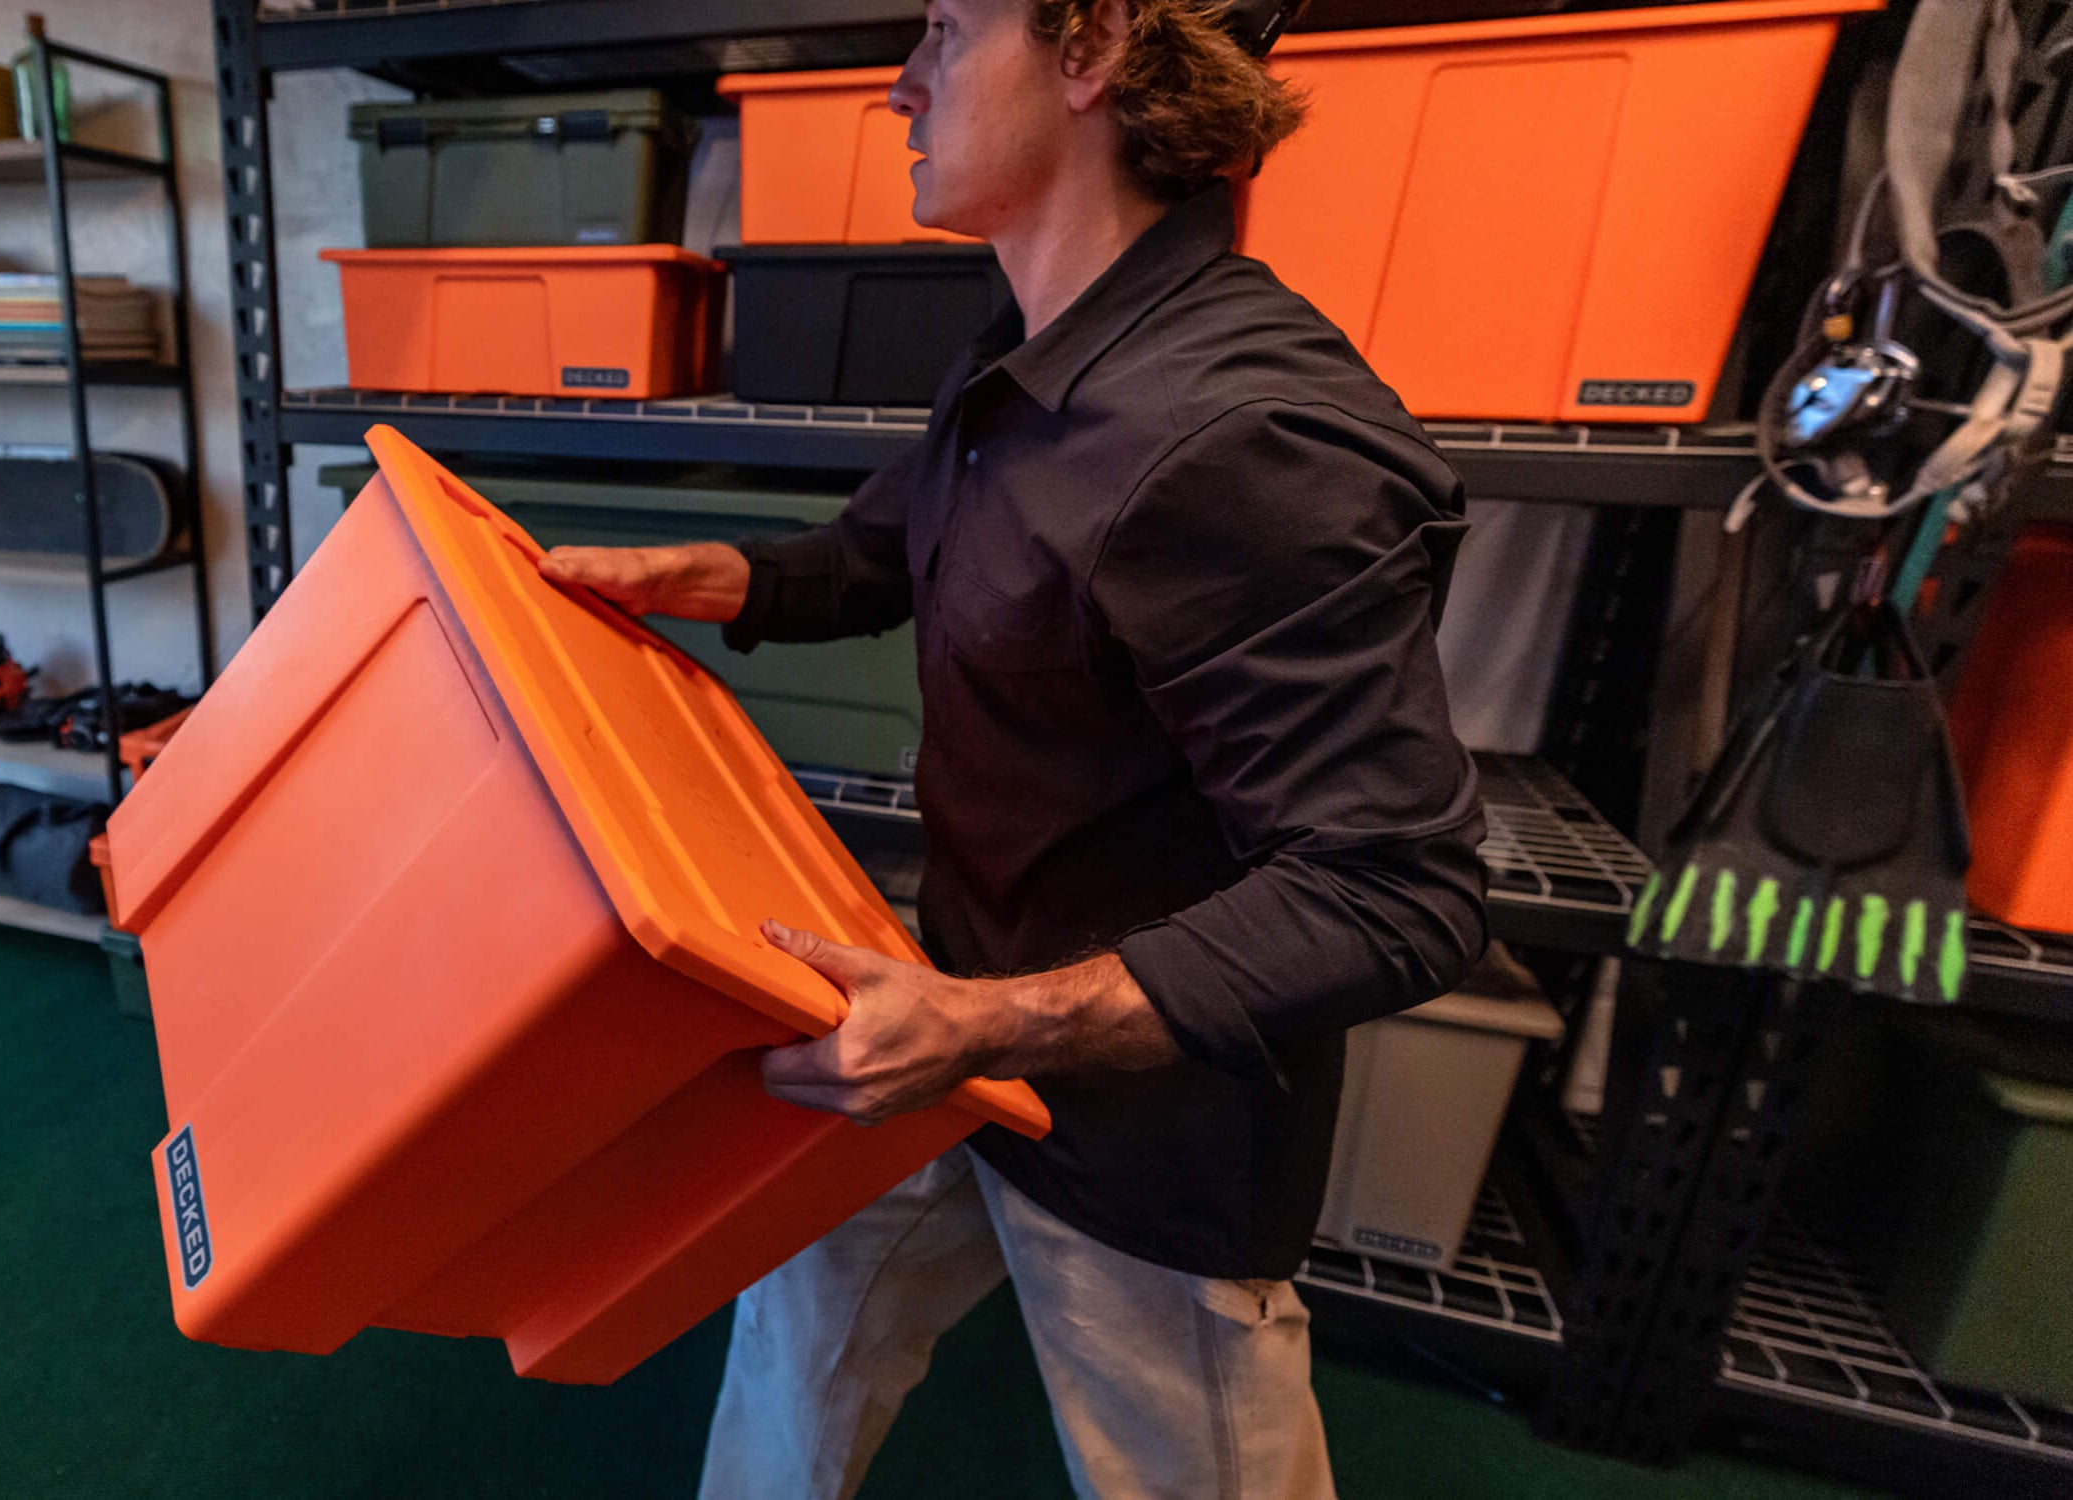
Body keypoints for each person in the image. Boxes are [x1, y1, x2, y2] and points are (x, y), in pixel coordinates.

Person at [538, 0, 1490, 1495]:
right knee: (792, 1359)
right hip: (943, 1023)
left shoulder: (1244, 436)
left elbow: (1394, 893)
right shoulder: (1037, 345)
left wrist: (995, 1026)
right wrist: (698, 574)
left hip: (1140, 1138)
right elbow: (899, 542)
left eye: (945, 26)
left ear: (1093, 43)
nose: (902, 81)